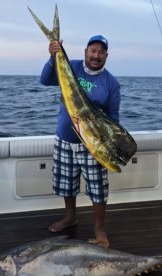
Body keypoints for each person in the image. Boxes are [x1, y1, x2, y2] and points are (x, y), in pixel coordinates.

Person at [40, 35, 121, 248]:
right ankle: (70, 217)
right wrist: (52, 57)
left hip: (92, 144)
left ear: (106, 56)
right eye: (93, 51)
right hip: (64, 138)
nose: (96, 56)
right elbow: (45, 80)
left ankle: (99, 228)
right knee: (66, 183)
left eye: (101, 52)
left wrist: (105, 145)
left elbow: (113, 118)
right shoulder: (72, 67)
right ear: (85, 52)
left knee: (98, 188)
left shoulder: (111, 83)